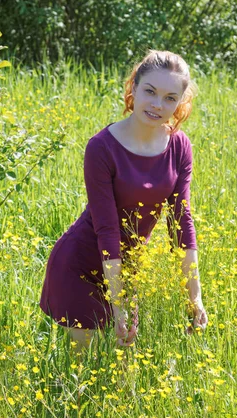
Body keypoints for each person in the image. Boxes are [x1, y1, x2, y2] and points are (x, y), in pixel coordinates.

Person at [39, 49, 208, 354]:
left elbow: (181, 223)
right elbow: (107, 230)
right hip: (81, 265)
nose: (158, 105)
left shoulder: (179, 146)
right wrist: (118, 306)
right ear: (133, 87)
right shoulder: (101, 148)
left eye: (170, 98)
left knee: (125, 366)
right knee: (83, 370)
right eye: (150, 92)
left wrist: (193, 296)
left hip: (128, 268)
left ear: (180, 103)